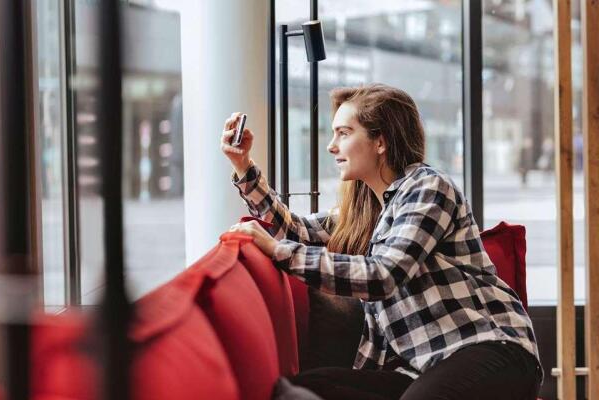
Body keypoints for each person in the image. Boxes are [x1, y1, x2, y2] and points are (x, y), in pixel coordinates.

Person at [221, 84, 542, 400]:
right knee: (308, 386)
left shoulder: (428, 188)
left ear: (380, 141)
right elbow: (297, 232)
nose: (332, 146)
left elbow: (384, 275)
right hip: (422, 369)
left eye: (344, 133)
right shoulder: (370, 209)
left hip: (491, 351)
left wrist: (278, 251)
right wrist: (243, 166)